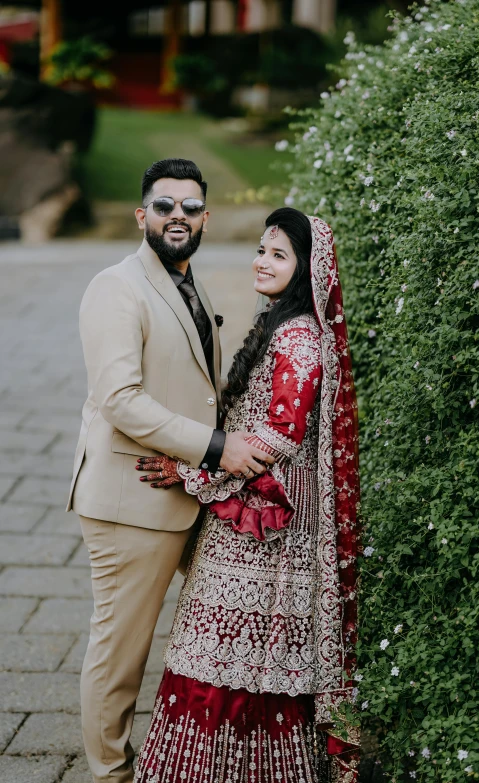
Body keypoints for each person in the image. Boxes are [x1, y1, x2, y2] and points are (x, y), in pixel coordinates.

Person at [133, 207, 361, 782]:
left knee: (236, 658)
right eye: (262, 249)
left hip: (270, 529)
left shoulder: (301, 340)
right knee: (213, 648)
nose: (263, 261)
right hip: (249, 516)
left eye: (279, 254)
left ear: (306, 267)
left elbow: (274, 440)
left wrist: (191, 472)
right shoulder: (281, 326)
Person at [65, 158, 273, 783]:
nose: (176, 215)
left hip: (177, 489)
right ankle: (110, 774)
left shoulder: (188, 282)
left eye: (188, 207)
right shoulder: (117, 285)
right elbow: (120, 399)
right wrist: (217, 448)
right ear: (142, 214)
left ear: (205, 217)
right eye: (164, 205)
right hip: (131, 498)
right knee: (120, 652)